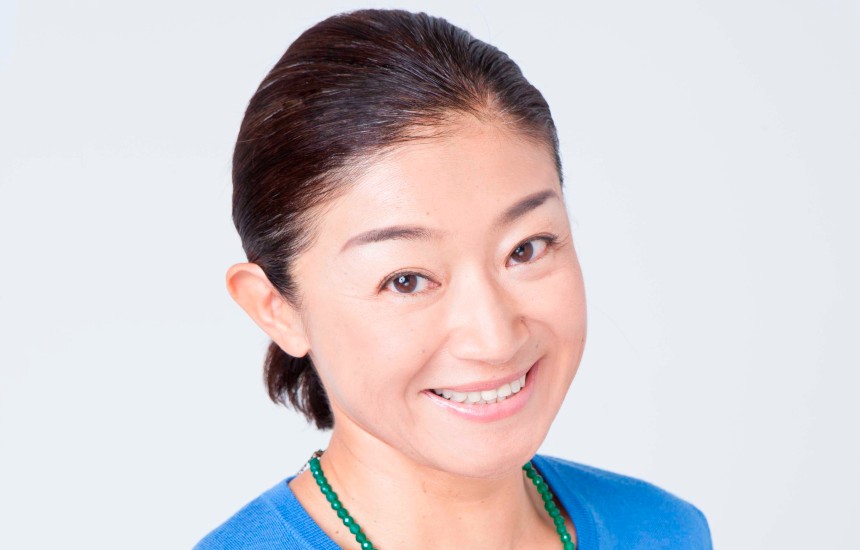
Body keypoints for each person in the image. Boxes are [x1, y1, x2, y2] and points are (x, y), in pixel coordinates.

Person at [195, 8, 712, 550]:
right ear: (277, 308)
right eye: (406, 280)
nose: (494, 340)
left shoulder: (665, 531)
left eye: (525, 250)